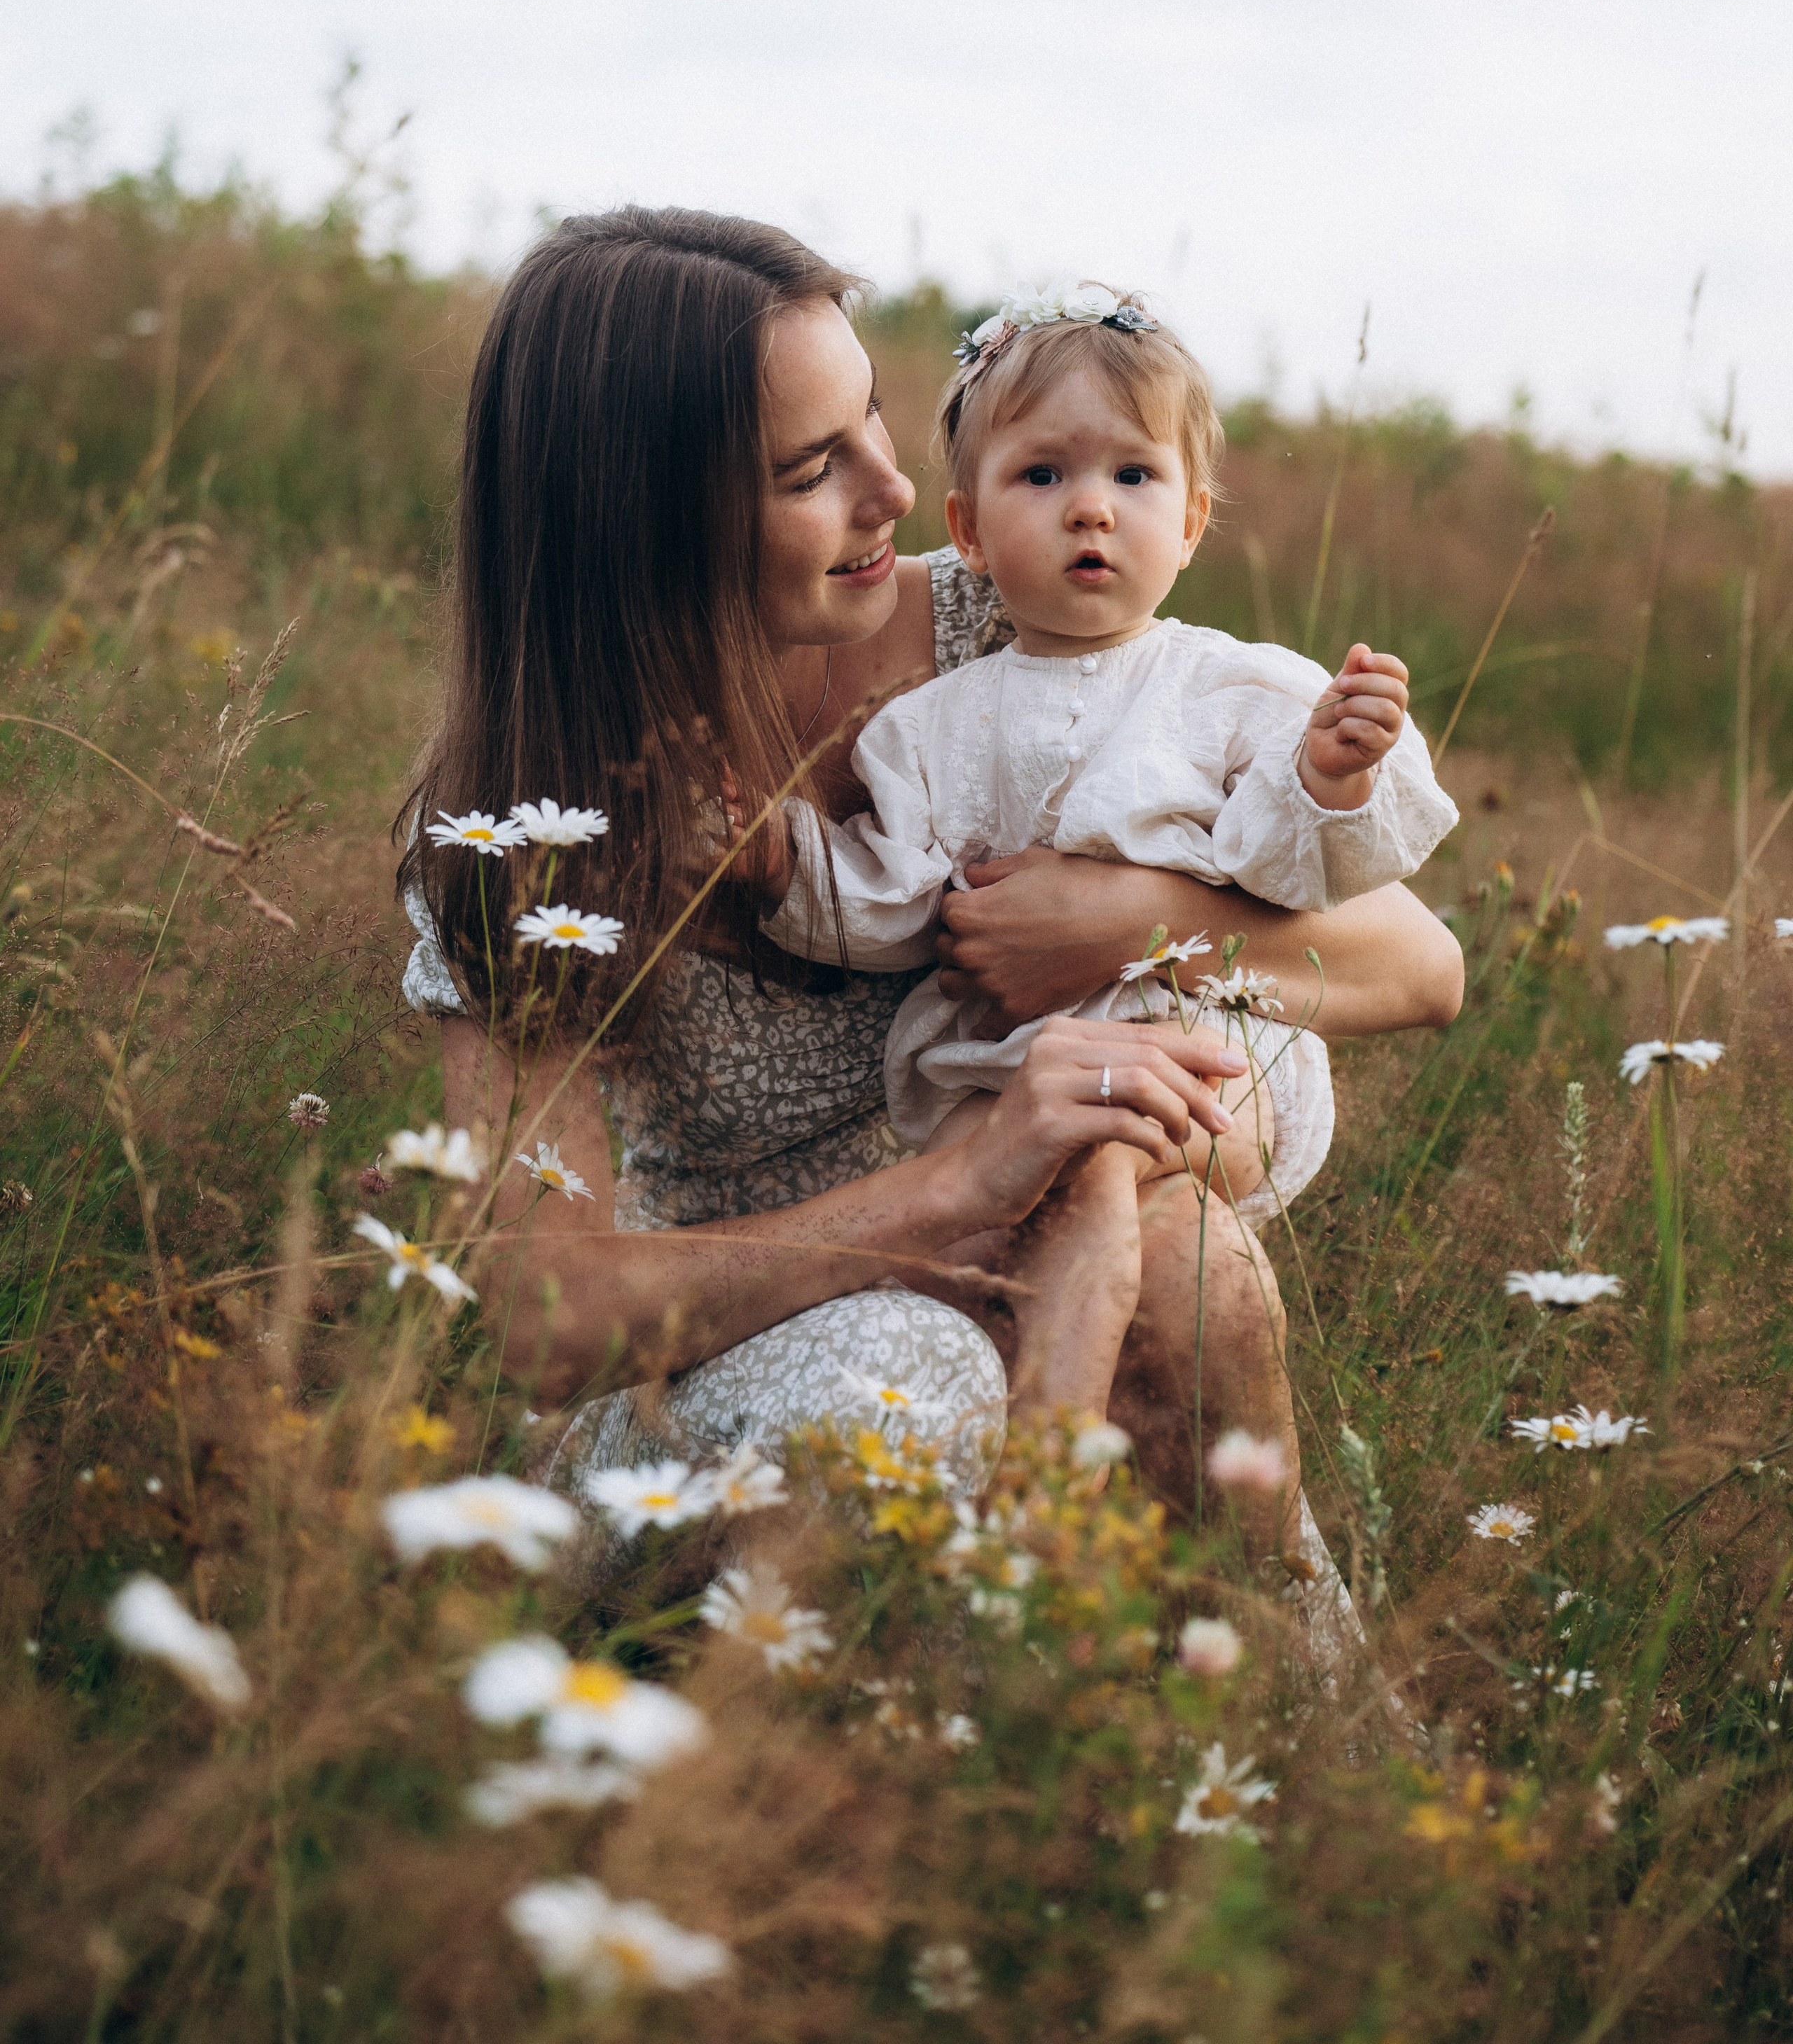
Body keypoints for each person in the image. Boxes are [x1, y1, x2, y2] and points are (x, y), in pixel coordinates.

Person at [398, 207, 1463, 1601]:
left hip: (1042, 1244)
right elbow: (551, 1323)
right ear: (651, 519)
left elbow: (1414, 965)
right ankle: (823, 1768)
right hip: (720, 1373)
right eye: (808, 469)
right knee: (911, 1375)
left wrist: (1117, 916)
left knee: (1184, 1265)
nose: (891, 490)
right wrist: (957, 1185)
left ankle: (1245, 1717)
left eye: (876, 421)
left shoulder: (1012, 625)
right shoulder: (521, 829)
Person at [760, 279, 1457, 1429]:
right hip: (1007, 1076)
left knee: (1093, 1160)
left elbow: (1293, 866)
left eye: (1134, 477)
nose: (1092, 509)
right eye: (1044, 476)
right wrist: (783, 866)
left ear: (1189, 524)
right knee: (998, 1224)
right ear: (971, 531)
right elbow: (891, 908)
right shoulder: (929, 726)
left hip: (1212, 1054)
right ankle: (1085, 1506)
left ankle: (1054, 1449)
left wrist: (1330, 775)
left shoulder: (1234, 689)